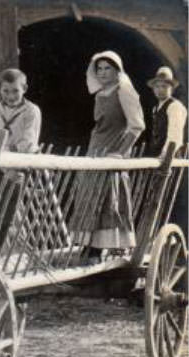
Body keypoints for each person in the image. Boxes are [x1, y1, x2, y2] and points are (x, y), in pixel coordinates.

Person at [72, 51, 145, 260]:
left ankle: (110, 245)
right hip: (95, 148)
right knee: (89, 194)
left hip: (112, 149)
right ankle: (90, 244)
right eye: (99, 69)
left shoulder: (124, 91)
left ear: (117, 71)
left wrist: (120, 153)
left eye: (107, 69)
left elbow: (137, 126)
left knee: (108, 197)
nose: (103, 73)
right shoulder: (99, 95)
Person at [0, 68, 42, 259]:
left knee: (5, 215)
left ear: (24, 88)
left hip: (17, 167)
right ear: (0, 89)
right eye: (6, 91)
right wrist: (0, 161)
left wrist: (10, 159)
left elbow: (27, 141)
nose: (10, 96)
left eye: (15, 91)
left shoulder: (31, 111)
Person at [145, 66, 187, 237]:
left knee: (170, 198)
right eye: (157, 86)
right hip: (157, 157)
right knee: (155, 198)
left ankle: (172, 238)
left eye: (165, 86)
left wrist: (164, 156)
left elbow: (174, 136)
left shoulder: (175, 107)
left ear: (171, 88)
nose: (160, 89)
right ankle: (154, 236)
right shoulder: (156, 108)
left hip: (171, 158)